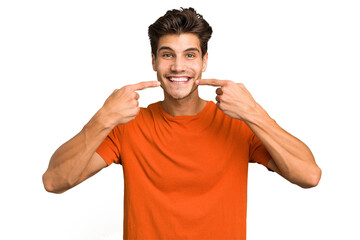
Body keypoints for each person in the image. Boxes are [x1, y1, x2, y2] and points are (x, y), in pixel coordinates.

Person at [42, 7, 321, 239]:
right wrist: (103, 118)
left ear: (204, 62)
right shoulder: (127, 126)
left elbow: (309, 176)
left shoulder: (238, 123)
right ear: (153, 61)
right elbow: (54, 181)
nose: (178, 66)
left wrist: (254, 112)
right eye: (167, 54)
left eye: (190, 55)